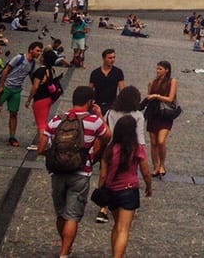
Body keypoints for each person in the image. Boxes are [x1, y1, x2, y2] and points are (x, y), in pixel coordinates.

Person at [43, 84, 110, 258]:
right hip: (81, 172)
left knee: (61, 214)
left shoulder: (57, 120)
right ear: (89, 102)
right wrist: (100, 115)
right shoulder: (93, 121)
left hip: (57, 173)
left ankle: (65, 244)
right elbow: (107, 137)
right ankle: (65, 253)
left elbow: (41, 147)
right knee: (72, 215)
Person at [99, 114, 152, 258]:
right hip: (129, 190)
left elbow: (103, 175)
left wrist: (101, 190)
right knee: (124, 229)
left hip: (112, 191)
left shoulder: (109, 149)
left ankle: (114, 254)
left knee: (117, 225)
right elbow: (146, 171)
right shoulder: (137, 148)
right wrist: (149, 186)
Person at [0, 39, 42, 146]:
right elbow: (6, 70)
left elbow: (32, 79)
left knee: (14, 113)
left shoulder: (33, 64)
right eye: (38, 51)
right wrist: (1, 86)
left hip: (16, 91)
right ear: (31, 50)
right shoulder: (19, 58)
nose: (39, 53)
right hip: (6, 87)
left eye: (40, 51)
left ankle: (12, 137)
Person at [98, 86, 148, 225]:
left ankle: (103, 206)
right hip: (130, 149)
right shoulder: (138, 115)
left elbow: (107, 130)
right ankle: (128, 206)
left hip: (112, 147)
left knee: (107, 174)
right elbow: (140, 136)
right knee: (129, 174)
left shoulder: (111, 112)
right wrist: (141, 151)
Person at [144, 59, 178, 177]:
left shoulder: (172, 81)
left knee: (161, 141)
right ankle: (155, 166)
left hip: (165, 114)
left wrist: (157, 96)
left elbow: (171, 98)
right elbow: (149, 97)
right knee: (153, 142)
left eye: (160, 69)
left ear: (166, 70)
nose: (157, 71)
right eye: (157, 68)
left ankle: (162, 164)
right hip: (153, 113)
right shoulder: (152, 82)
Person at [28, 48, 64, 153]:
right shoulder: (51, 70)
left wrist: (29, 99)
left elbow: (35, 87)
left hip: (40, 99)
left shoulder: (40, 71)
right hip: (49, 98)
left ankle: (42, 144)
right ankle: (44, 142)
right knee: (43, 121)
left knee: (41, 123)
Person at [88, 48, 125, 113]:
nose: (112, 60)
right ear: (104, 58)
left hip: (112, 105)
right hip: (98, 104)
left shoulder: (118, 72)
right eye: (110, 58)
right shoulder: (95, 73)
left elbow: (122, 90)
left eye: (114, 57)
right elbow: (89, 90)